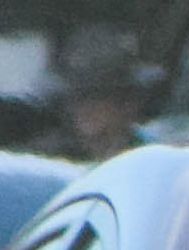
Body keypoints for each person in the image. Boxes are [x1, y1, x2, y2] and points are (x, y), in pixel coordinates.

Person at [54, 28, 147, 161]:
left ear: (128, 103)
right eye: (77, 98)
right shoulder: (50, 163)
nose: (85, 110)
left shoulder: (153, 159)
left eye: (96, 97)